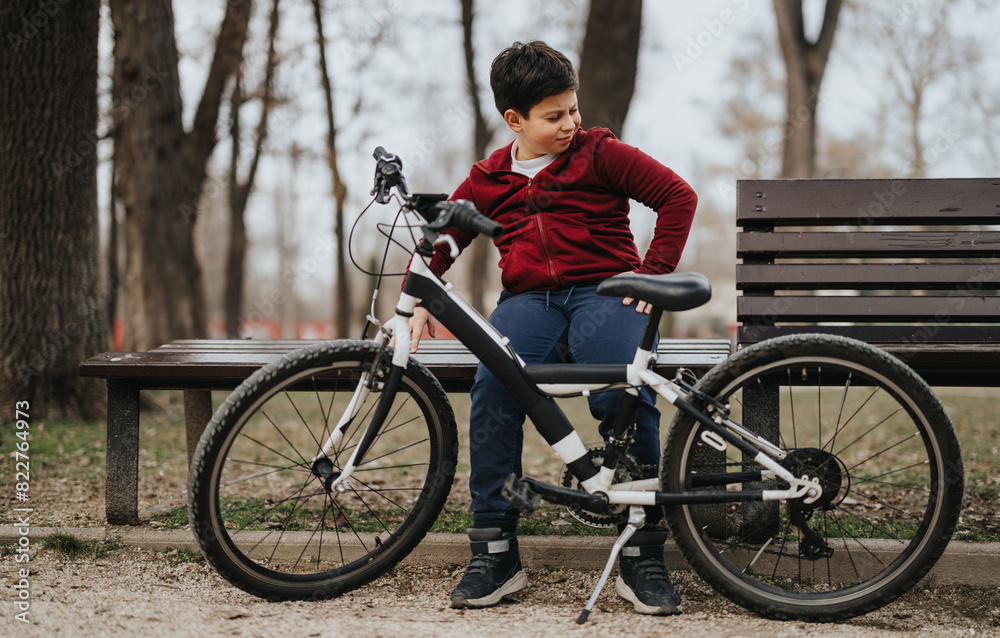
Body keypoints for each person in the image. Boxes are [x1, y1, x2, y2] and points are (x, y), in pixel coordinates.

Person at [405, 41, 697, 615]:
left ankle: (641, 551)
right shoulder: (488, 177)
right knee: (493, 389)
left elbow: (676, 197)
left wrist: (651, 275)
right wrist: (417, 297)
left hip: (606, 291)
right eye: (554, 115)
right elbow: (448, 236)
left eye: (574, 109)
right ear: (514, 120)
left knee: (621, 389)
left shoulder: (600, 154)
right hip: (529, 302)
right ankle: (496, 548)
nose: (571, 123)